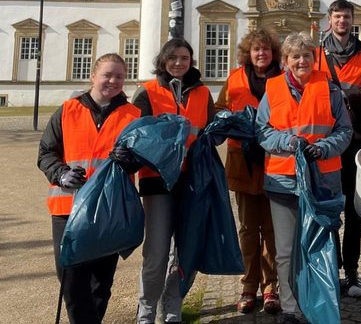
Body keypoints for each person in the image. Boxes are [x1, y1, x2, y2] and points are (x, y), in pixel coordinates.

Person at [256, 31, 352, 324]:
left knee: (322, 247)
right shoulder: (272, 90)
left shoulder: (331, 90)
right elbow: (262, 131)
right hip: (283, 182)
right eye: (295, 56)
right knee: (285, 250)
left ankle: (322, 303)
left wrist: (321, 148)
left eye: (307, 56)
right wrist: (289, 142)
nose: (302, 61)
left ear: (314, 58)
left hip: (323, 181)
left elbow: (345, 131)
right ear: (285, 61)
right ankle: (290, 308)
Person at [37, 53, 141, 324]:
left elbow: (141, 160)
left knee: (101, 282)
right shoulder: (68, 109)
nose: (113, 81)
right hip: (67, 206)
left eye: (119, 76)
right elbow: (46, 152)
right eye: (107, 74)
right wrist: (61, 174)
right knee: (70, 278)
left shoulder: (133, 115)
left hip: (109, 208)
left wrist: (130, 161)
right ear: (93, 76)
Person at [133, 38, 216, 324]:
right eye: (173, 57)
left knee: (185, 251)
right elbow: (140, 137)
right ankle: (145, 313)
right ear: (163, 59)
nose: (179, 63)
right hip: (158, 182)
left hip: (192, 181)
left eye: (184, 57)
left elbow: (209, 133)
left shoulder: (203, 93)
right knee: (156, 253)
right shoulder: (147, 92)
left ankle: (172, 310)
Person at [215, 28, 282, 315]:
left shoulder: (283, 79)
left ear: (273, 53)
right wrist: (229, 122)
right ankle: (248, 285)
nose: (261, 54)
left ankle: (271, 287)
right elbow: (219, 111)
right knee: (247, 229)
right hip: (243, 162)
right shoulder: (234, 79)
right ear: (248, 52)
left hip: (275, 161)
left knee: (271, 229)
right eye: (256, 49)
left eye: (266, 49)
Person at [314, 0, 361, 298]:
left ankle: (351, 269)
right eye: (338, 16)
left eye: (347, 17)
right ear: (330, 20)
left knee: (353, 212)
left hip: (356, 145)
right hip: (325, 145)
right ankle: (329, 268)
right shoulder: (315, 55)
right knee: (327, 210)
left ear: (353, 20)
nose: (342, 21)